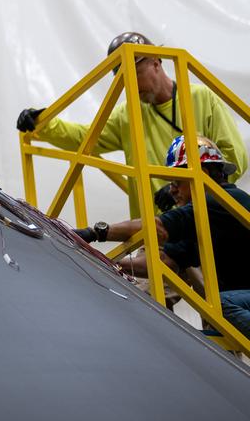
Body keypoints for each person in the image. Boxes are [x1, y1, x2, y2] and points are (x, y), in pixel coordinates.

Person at [17, 31, 246, 216]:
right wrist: (41, 122)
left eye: (135, 73)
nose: (130, 85)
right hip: (154, 232)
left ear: (156, 62)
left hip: (204, 222)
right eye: (122, 79)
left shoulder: (200, 98)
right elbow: (84, 138)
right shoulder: (128, 114)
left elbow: (234, 157)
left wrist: (187, 187)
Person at [73, 135, 250, 338]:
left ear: (202, 174)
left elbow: (157, 226)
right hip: (243, 299)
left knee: (220, 307)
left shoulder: (222, 201)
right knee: (212, 334)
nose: (172, 190)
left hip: (237, 299)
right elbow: (165, 263)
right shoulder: (209, 224)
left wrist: (94, 233)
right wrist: (108, 262)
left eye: (176, 181)